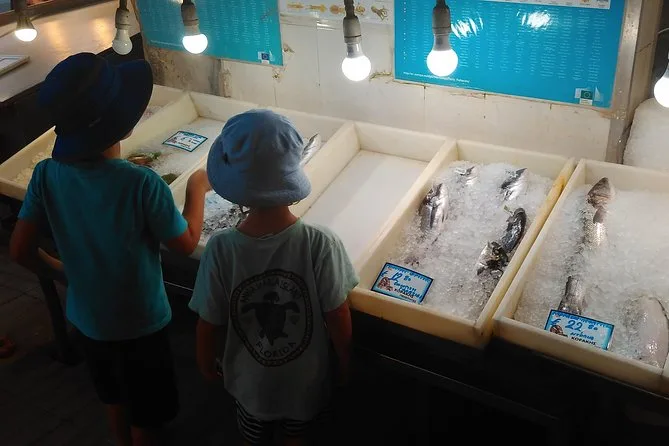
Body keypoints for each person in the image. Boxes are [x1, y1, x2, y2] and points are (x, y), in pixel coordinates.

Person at [9, 53, 211, 446]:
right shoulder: (140, 184)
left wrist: (65, 273)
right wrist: (197, 188)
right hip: (140, 322)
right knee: (147, 412)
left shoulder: (46, 174)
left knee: (113, 395)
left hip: (87, 320)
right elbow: (186, 242)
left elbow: (20, 250)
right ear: (124, 122)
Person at [189, 110, 357, 446]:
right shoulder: (321, 243)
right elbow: (337, 313)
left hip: (249, 385)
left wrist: (205, 363)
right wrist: (345, 363)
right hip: (307, 383)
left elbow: (208, 321)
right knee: (299, 437)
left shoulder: (220, 248)